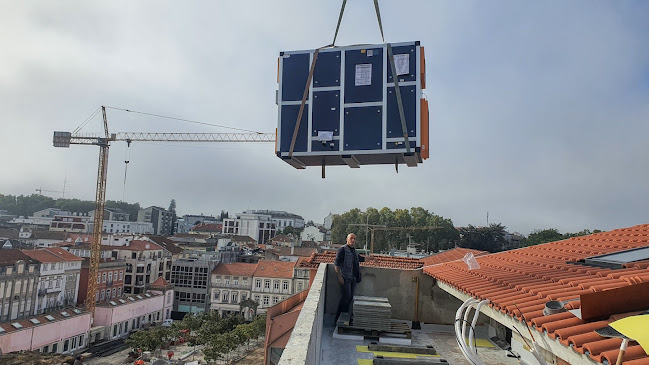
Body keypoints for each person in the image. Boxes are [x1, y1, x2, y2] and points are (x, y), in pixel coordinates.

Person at [335, 233, 366, 322]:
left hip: (353, 279)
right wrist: (339, 277)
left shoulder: (354, 251)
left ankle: (344, 318)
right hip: (345, 278)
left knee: (350, 298)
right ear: (347, 239)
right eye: (351, 238)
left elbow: (361, 259)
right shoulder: (342, 250)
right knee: (346, 297)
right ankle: (338, 319)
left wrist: (373, 259)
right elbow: (336, 264)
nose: (353, 240)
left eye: (354, 239)